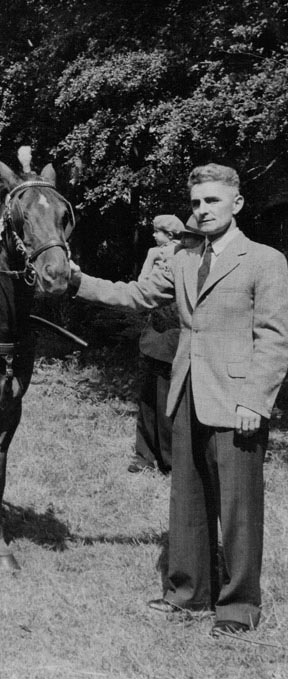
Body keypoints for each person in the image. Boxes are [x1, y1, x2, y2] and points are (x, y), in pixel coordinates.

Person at [69, 163, 288, 637]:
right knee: (186, 500)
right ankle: (188, 595)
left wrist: (256, 400)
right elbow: (137, 294)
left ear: (237, 204)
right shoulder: (185, 259)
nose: (203, 210)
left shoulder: (265, 260)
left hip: (237, 400)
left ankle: (238, 607)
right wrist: (76, 280)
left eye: (212, 200)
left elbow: (274, 339)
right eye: (196, 202)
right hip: (187, 391)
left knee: (238, 508)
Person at [128, 214, 185, 474]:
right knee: (148, 400)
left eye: (157, 232)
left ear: (170, 234)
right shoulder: (154, 254)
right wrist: (152, 258)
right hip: (153, 336)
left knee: (166, 403)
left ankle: (170, 461)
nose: (153, 235)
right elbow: (143, 286)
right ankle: (144, 455)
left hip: (174, 339)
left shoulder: (187, 256)